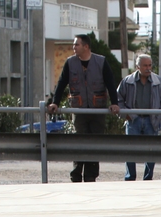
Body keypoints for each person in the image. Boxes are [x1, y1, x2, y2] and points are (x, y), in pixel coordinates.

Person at [47, 34, 120, 183]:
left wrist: (114, 103)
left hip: (97, 110)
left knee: (95, 142)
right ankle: (76, 173)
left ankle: (91, 175)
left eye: (76, 45)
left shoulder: (101, 62)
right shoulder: (70, 63)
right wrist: (55, 102)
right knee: (78, 141)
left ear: (86, 46)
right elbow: (61, 84)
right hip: (79, 110)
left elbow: (111, 84)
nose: (74, 48)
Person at [118, 54, 161, 181]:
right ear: (137, 66)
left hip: (152, 120)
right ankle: (130, 177)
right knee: (130, 149)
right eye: (145, 65)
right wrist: (125, 114)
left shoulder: (158, 81)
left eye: (150, 65)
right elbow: (118, 99)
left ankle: (148, 177)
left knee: (151, 150)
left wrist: (159, 115)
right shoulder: (128, 81)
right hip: (133, 119)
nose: (148, 68)